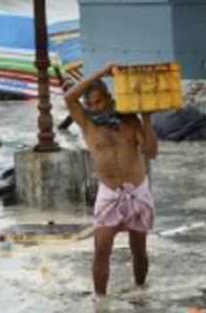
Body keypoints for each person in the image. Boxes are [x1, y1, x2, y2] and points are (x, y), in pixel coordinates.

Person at [64, 61, 158, 296]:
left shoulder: (128, 120)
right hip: (109, 194)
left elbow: (151, 152)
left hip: (137, 191)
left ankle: (140, 294)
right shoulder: (86, 123)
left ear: (108, 97)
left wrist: (146, 118)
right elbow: (68, 98)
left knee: (139, 251)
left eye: (99, 101)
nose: (95, 108)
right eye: (90, 104)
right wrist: (102, 72)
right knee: (101, 250)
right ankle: (101, 302)